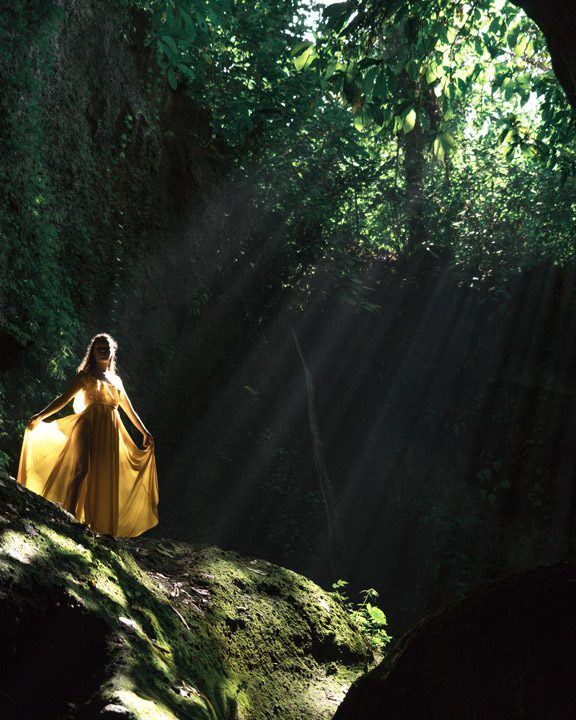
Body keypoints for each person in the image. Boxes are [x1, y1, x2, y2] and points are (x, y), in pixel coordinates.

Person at [17, 333, 159, 537]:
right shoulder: (85, 376)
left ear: (113, 351)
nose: (103, 350)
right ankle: (69, 514)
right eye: (98, 347)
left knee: (104, 473)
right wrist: (40, 416)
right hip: (87, 424)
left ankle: (98, 525)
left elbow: (129, 409)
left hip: (111, 429)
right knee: (81, 468)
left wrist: (144, 432)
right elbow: (63, 399)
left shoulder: (116, 380)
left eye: (106, 347)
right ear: (92, 352)